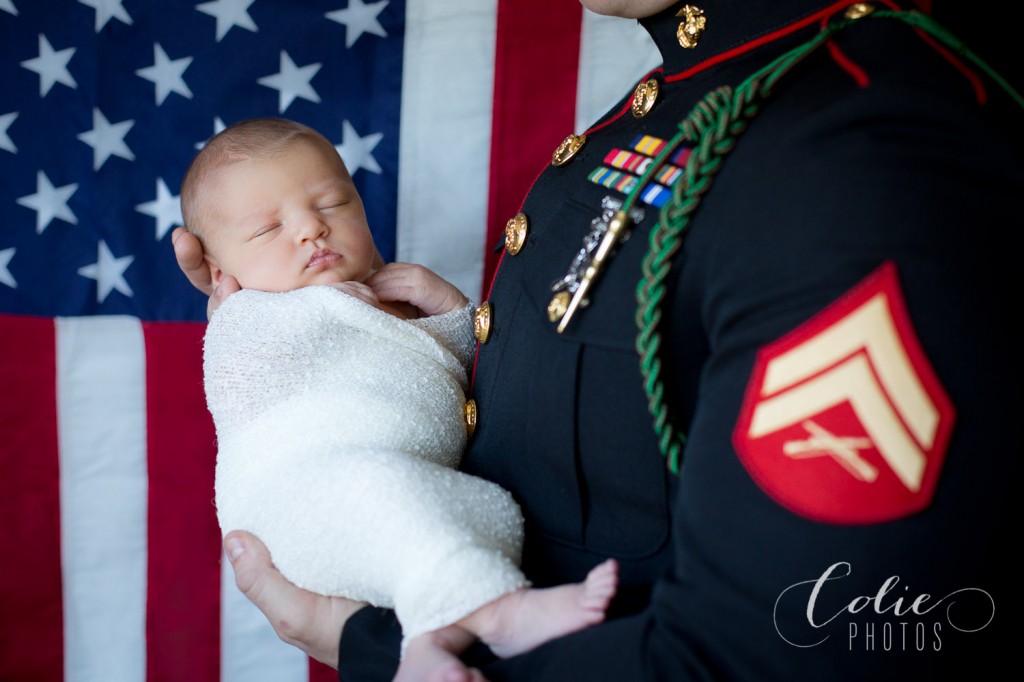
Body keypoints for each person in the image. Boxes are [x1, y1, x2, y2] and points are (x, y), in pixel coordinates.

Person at [173, 0, 1021, 679]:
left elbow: (789, 647)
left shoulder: (860, 142)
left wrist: (373, 643)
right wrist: (301, 331)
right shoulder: (689, 100)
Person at [178, 117, 619, 682]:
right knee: (387, 496)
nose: (312, 228)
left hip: (404, 483)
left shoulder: (392, 302)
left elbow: (469, 381)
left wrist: (453, 311)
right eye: (267, 230)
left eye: (333, 204)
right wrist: (245, 314)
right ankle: (503, 612)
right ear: (220, 273)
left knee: (489, 513)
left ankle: (427, 646)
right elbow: (243, 381)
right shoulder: (245, 321)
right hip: (302, 497)